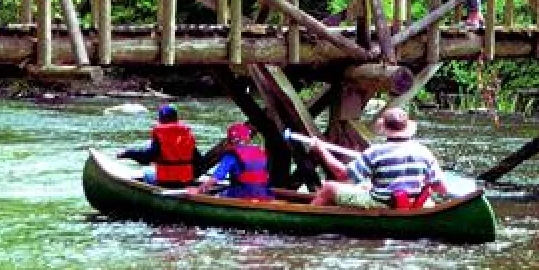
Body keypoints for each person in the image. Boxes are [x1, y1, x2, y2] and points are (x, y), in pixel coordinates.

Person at [307, 107, 449, 208]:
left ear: (385, 128)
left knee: (328, 188)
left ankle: (308, 220)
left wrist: (321, 149)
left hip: (383, 204)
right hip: (412, 204)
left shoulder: (375, 152)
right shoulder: (424, 152)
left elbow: (343, 175)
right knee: (364, 186)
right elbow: (441, 188)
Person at [117, 104, 202, 187]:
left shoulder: (160, 134)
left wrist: (127, 153)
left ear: (160, 120)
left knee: (146, 172)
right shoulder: (187, 134)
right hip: (186, 181)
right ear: (176, 119)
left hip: (166, 182)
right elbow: (198, 160)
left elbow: (147, 158)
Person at [188, 123, 273, 200]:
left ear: (230, 139)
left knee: (217, 195)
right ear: (248, 138)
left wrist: (198, 190)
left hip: (241, 194)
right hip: (263, 193)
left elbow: (216, 177)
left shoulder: (231, 155)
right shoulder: (260, 152)